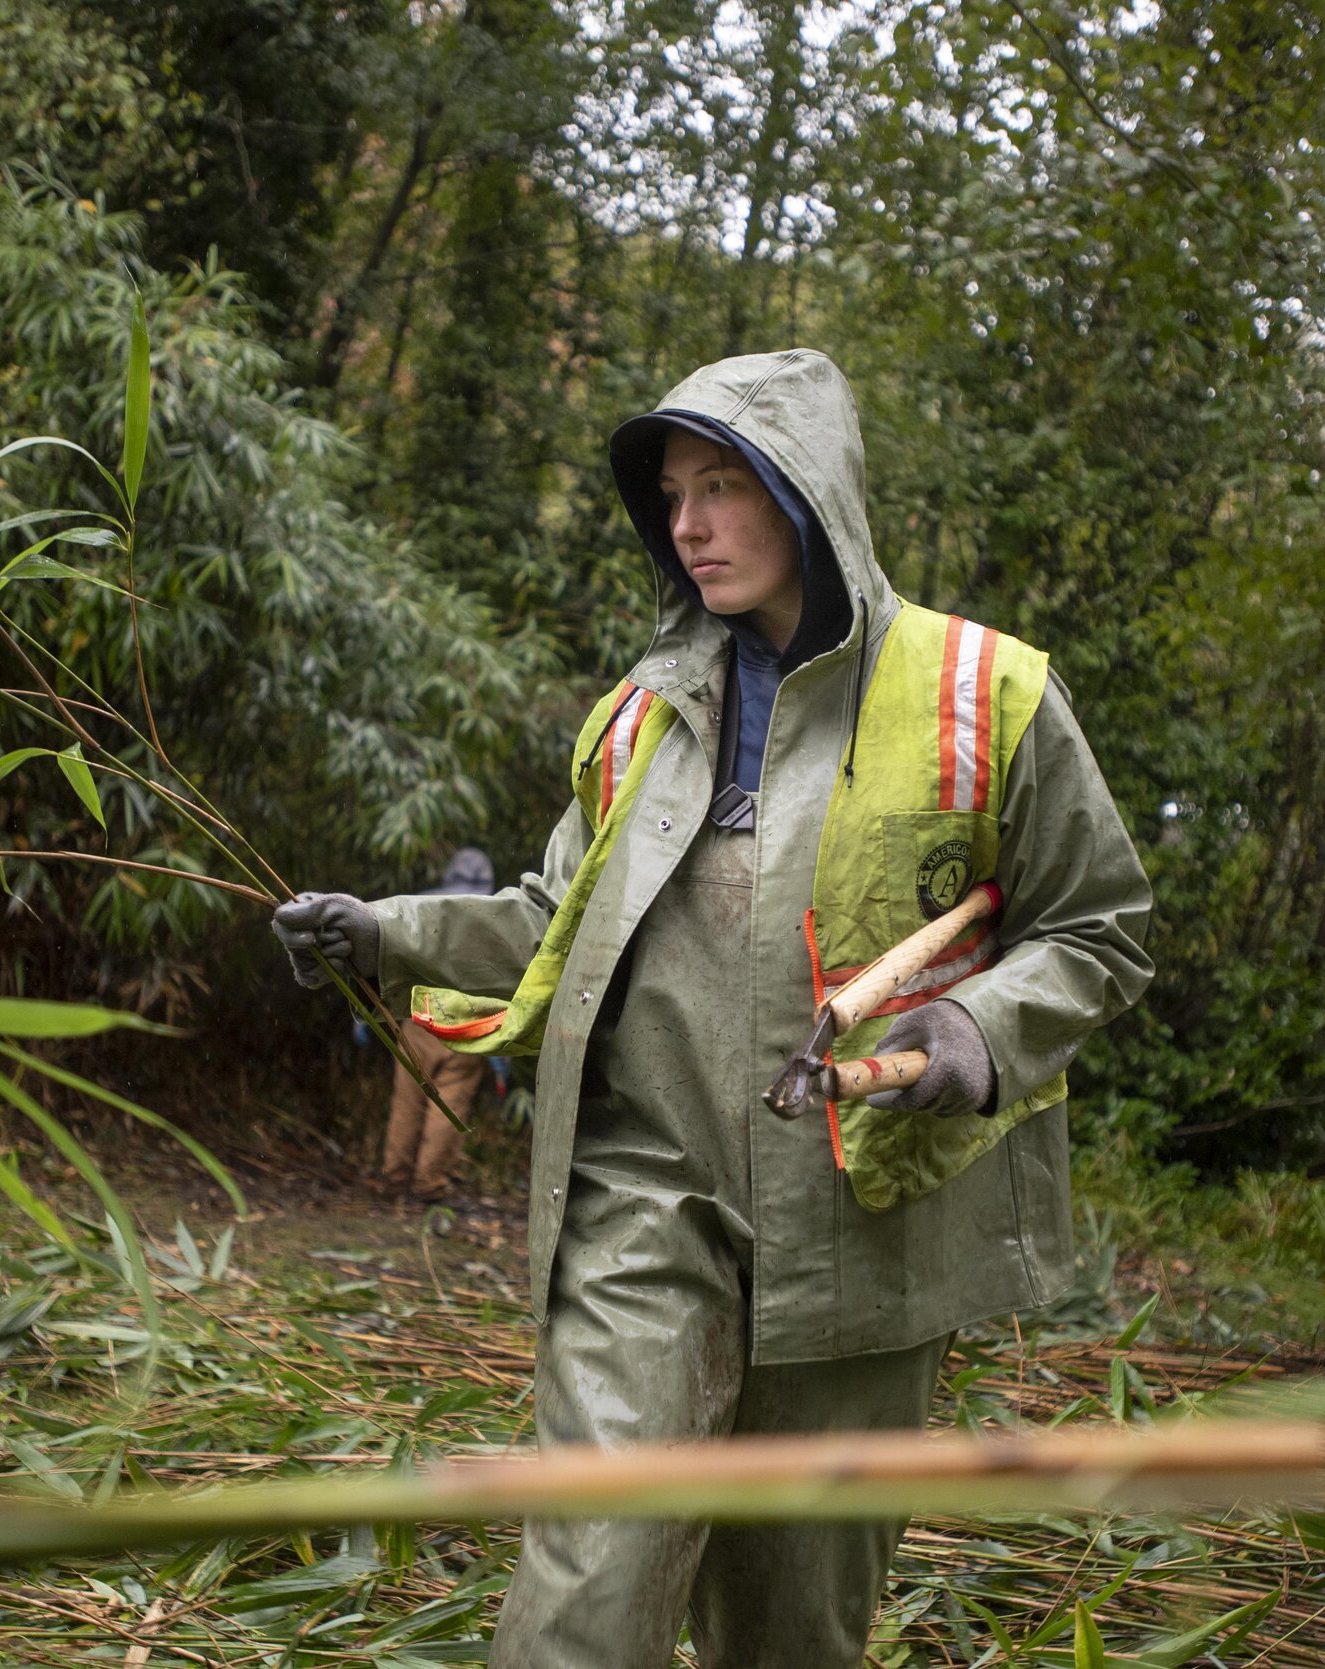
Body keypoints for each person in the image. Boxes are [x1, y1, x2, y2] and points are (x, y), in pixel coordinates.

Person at [273, 348, 1153, 1668]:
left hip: (863, 1237)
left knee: (791, 1631)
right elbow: (549, 924)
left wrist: (983, 1030)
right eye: (672, 493)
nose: (686, 524)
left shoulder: (986, 694)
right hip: (643, 1212)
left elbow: (1098, 927)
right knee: (588, 1589)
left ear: (809, 494)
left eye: (723, 483)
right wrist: (383, 930)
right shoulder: (640, 720)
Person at [373, 848, 499, 1202]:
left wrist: (371, 1014)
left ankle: (395, 1178)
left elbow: (389, 962)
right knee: (449, 1108)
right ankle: (429, 1184)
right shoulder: (494, 919)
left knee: (407, 1104)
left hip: (416, 1023)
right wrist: (501, 1057)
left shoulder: (419, 909)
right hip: (464, 1030)